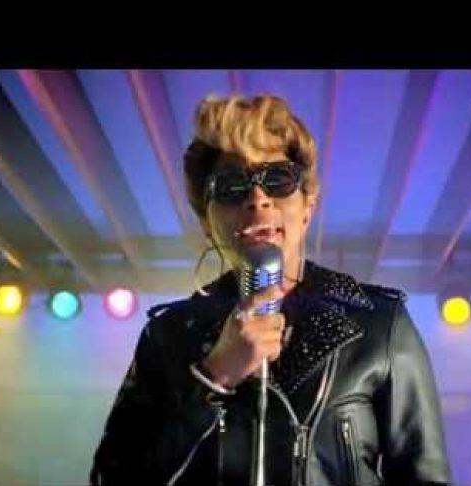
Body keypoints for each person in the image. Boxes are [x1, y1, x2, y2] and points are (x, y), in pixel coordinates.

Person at [90, 94, 451, 485]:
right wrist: (214, 376)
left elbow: (425, 478)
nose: (258, 199)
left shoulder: (380, 324)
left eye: (278, 179)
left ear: (307, 206)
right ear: (206, 222)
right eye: (231, 185)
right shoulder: (168, 336)